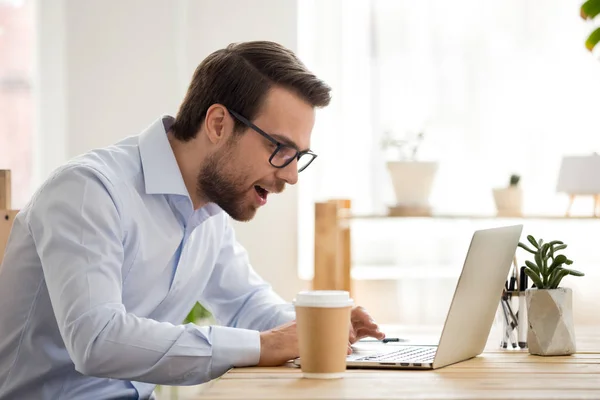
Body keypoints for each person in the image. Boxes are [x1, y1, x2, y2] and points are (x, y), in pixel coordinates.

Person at [0, 41, 384, 399]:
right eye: (279, 148)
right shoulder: (89, 190)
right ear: (218, 124)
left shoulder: (208, 211)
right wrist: (267, 345)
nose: (291, 175)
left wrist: (321, 327)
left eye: (298, 156)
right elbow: (97, 340)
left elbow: (248, 304)